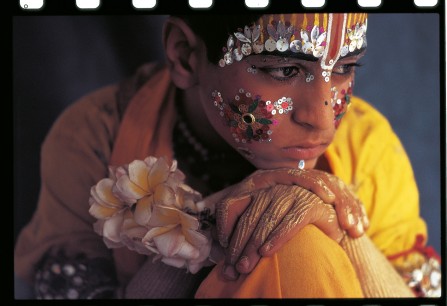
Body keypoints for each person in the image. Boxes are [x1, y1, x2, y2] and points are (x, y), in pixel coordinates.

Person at [14, 12, 441, 299]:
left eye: (346, 67)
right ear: (185, 55)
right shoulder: (94, 136)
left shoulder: (366, 142)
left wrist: (341, 225)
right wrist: (202, 233)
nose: (324, 120)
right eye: (285, 70)